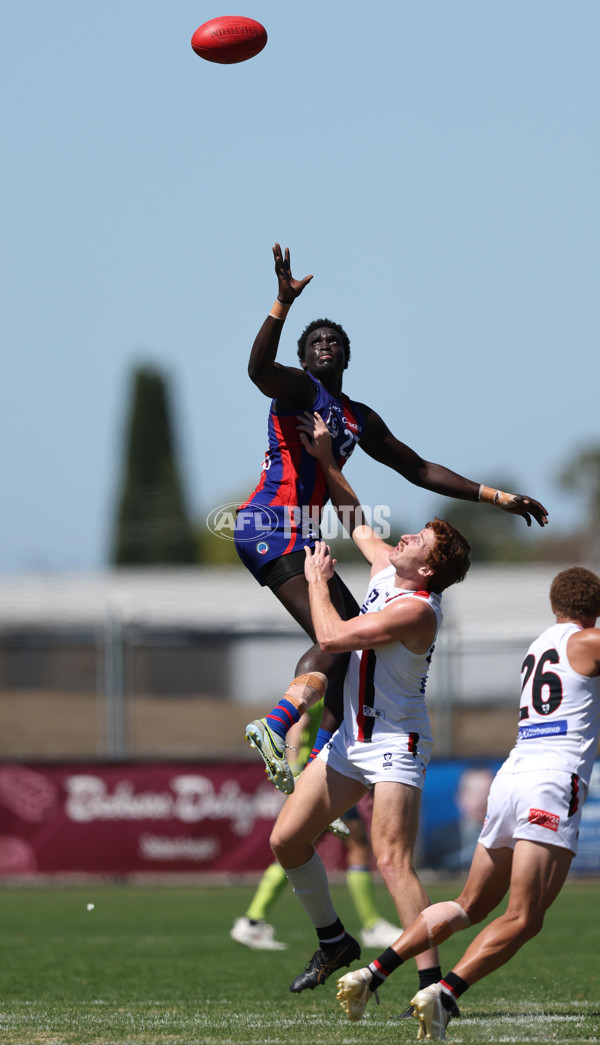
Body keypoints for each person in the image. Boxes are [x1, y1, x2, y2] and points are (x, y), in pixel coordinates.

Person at [237, 243, 548, 796]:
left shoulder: (357, 417)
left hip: (299, 534)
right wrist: (281, 305)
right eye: (316, 343)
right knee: (339, 641)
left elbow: (420, 468)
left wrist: (499, 498)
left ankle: (312, 776)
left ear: (347, 358)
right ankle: (275, 726)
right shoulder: (299, 390)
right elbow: (258, 369)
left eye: (334, 342)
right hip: (270, 521)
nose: (325, 345)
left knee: (354, 651)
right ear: (305, 359)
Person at [336, 565, 600, 1041]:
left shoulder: (542, 642)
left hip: (512, 775)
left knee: (468, 904)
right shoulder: (588, 641)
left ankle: (371, 973)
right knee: (524, 917)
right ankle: (444, 994)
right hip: (552, 781)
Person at [267, 414, 471, 998]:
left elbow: (331, 638)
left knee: (392, 863)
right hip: (353, 738)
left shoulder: (418, 610)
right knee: (287, 841)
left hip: (396, 744)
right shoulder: (389, 571)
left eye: (418, 542)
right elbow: (354, 518)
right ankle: (335, 940)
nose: (404, 537)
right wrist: (329, 457)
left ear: (427, 569)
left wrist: (314, 580)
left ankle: (433, 988)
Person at [231, 704, 402, 951]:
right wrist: (295, 771)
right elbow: (298, 726)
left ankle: (252, 920)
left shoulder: (336, 682)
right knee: (353, 845)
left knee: (296, 847)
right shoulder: (332, 683)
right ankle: (372, 925)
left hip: (323, 775)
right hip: (323, 778)